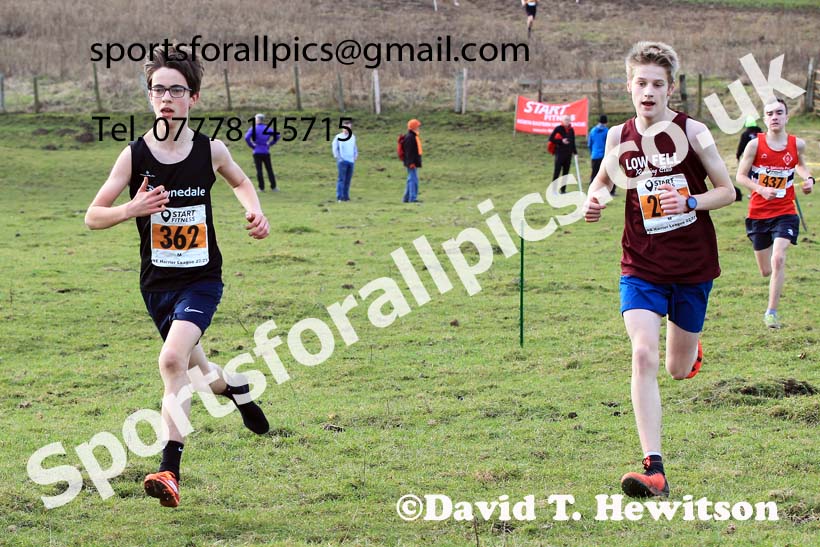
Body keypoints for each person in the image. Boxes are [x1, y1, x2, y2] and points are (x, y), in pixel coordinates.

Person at [84, 44, 271, 508]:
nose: (166, 97)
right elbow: (93, 216)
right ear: (149, 97)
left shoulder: (211, 150)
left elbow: (242, 181)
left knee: (171, 363)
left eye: (176, 89)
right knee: (199, 373)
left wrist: (255, 211)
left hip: (202, 280)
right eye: (158, 89)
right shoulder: (133, 156)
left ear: (194, 97)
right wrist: (133, 208)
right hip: (156, 286)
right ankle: (238, 390)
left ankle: (170, 468)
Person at [583, 41, 735, 498]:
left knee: (675, 367)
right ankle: (655, 468)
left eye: (657, 84)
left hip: (692, 268)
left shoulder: (695, 132)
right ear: (629, 87)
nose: (648, 91)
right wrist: (595, 200)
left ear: (671, 88)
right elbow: (604, 182)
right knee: (643, 354)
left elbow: (727, 191)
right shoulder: (617, 137)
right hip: (641, 266)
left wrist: (690, 199)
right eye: (641, 83)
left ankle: (690, 353)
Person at [736, 98, 814, 329]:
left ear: (787, 117)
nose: (775, 117)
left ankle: (771, 313)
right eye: (770, 113)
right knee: (766, 270)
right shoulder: (754, 145)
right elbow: (740, 176)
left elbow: (800, 164)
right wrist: (760, 188)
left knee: (779, 257)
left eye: (779, 112)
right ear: (765, 119)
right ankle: (771, 283)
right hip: (759, 212)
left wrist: (807, 178)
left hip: (785, 210)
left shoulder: (796, 144)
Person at [244, 113, 280, 192]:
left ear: (257, 120)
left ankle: (261, 188)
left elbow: (246, 137)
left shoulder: (253, 128)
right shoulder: (267, 128)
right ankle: (273, 187)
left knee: (259, 170)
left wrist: (252, 146)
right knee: (269, 169)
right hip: (266, 151)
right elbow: (277, 136)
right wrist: (270, 143)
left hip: (257, 151)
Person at [733, 116, 762, 201]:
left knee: (748, 177)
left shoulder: (745, 134)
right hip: (762, 158)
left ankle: (754, 193)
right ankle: (757, 192)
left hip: (750, 160)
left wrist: (738, 155)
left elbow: (741, 146)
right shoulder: (760, 133)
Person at [548, 114, 577, 193]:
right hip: (560, 153)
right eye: (565, 120)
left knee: (566, 173)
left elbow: (573, 141)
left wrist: (575, 152)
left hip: (568, 154)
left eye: (568, 119)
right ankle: (553, 190)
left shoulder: (571, 130)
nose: (567, 121)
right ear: (562, 120)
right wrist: (561, 141)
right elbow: (551, 139)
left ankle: (563, 190)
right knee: (557, 172)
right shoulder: (558, 129)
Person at [331, 120, 358, 202]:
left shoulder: (352, 137)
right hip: (342, 161)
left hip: (351, 161)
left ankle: (346, 196)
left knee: (348, 180)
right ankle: (340, 196)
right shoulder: (338, 137)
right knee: (341, 179)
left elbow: (354, 147)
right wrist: (339, 158)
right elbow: (335, 148)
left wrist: (355, 155)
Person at [588, 114, 610, 194]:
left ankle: (591, 191)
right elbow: (609, 144)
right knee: (606, 175)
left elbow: (589, 144)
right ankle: (609, 192)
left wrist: (592, 152)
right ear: (606, 122)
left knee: (594, 174)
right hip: (604, 156)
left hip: (594, 155)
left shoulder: (592, 131)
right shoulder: (606, 131)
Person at [402, 119, 423, 203]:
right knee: (413, 180)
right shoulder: (410, 137)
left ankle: (407, 198)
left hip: (412, 162)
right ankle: (412, 198)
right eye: (418, 126)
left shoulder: (413, 136)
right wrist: (411, 163)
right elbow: (409, 152)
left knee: (410, 179)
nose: (419, 128)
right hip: (412, 163)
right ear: (414, 127)